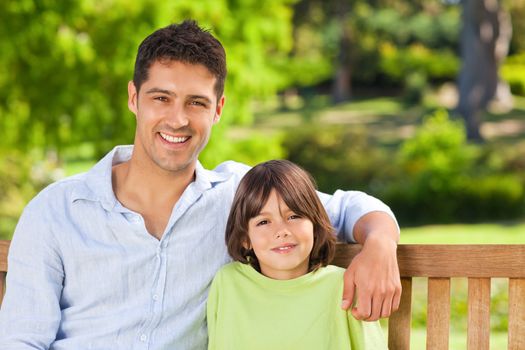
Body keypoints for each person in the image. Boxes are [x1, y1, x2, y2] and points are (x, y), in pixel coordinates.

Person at [0, 20, 400, 349]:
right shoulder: (56, 210)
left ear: (218, 109)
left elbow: (349, 208)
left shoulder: (243, 199)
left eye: (196, 102)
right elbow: (21, 340)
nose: (178, 120)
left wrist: (380, 244)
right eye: (161, 98)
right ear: (134, 98)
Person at [207, 160, 388, 350]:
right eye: (263, 222)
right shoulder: (228, 282)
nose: (282, 231)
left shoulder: (344, 287)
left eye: (293, 216)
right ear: (245, 238)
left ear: (315, 226)